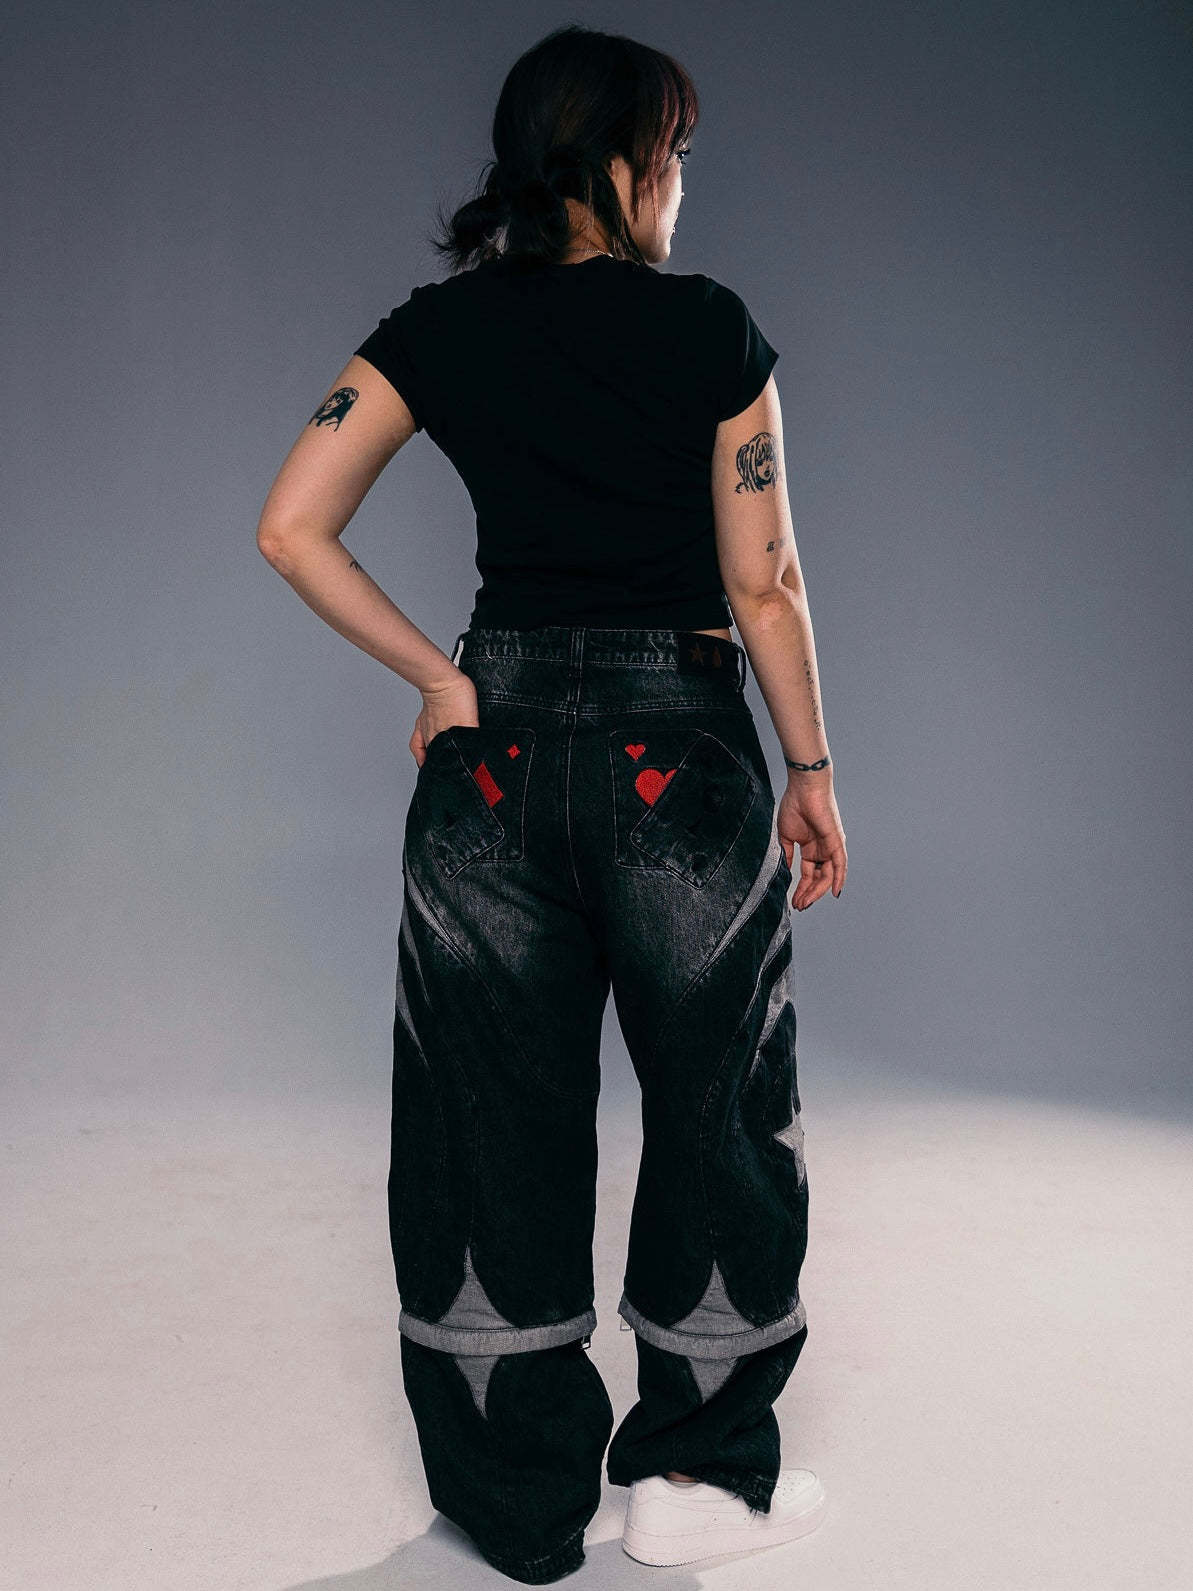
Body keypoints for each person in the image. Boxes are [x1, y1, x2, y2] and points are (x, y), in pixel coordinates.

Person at [256, 22, 847, 1586]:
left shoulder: (436, 330)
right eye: (676, 156)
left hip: (493, 759)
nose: (680, 186)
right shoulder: (711, 330)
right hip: (680, 758)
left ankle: (519, 1508)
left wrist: (434, 679)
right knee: (718, 1103)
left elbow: (290, 525)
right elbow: (765, 583)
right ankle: (694, 1477)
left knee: (483, 1119)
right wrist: (808, 771)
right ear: (627, 165)